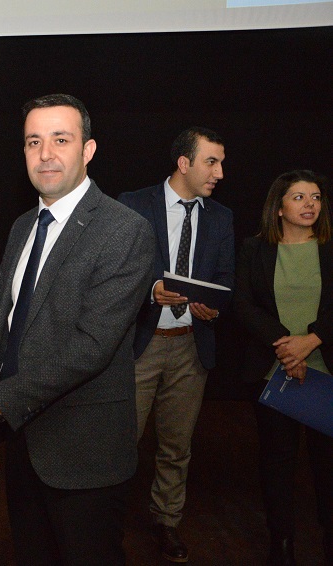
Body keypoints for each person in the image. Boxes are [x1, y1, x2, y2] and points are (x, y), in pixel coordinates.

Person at [0, 94, 155, 565]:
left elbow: (91, 347)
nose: (45, 154)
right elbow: (2, 313)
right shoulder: (24, 225)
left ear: (88, 150)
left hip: (84, 452)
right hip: (24, 439)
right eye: (33, 142)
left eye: (60, 140)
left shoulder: (124, 230)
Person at [117, 127, 234, 563]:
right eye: (211, 162)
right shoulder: (133, 204)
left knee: (176, 447)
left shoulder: (221, 216)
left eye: (221, 163)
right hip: (139, 347)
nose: (219, 173)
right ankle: (107, 521)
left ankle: (166, 522)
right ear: (184, 163)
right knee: (120, 442)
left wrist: (213, 308)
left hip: (190, 347)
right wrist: (151, 290)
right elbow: (113, 270)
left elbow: (225, 279)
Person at [233, 170, 333, 566]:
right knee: (277, 464)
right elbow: (243, 304)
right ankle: (282, 545)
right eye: (299, 197)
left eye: (316, 197)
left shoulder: (330, 248)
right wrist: (287, 347)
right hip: (274, 373)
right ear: (278, 208)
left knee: (328, 468)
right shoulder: (254, 248)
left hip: (326, 375)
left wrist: (310, 341)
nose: (310, 204)